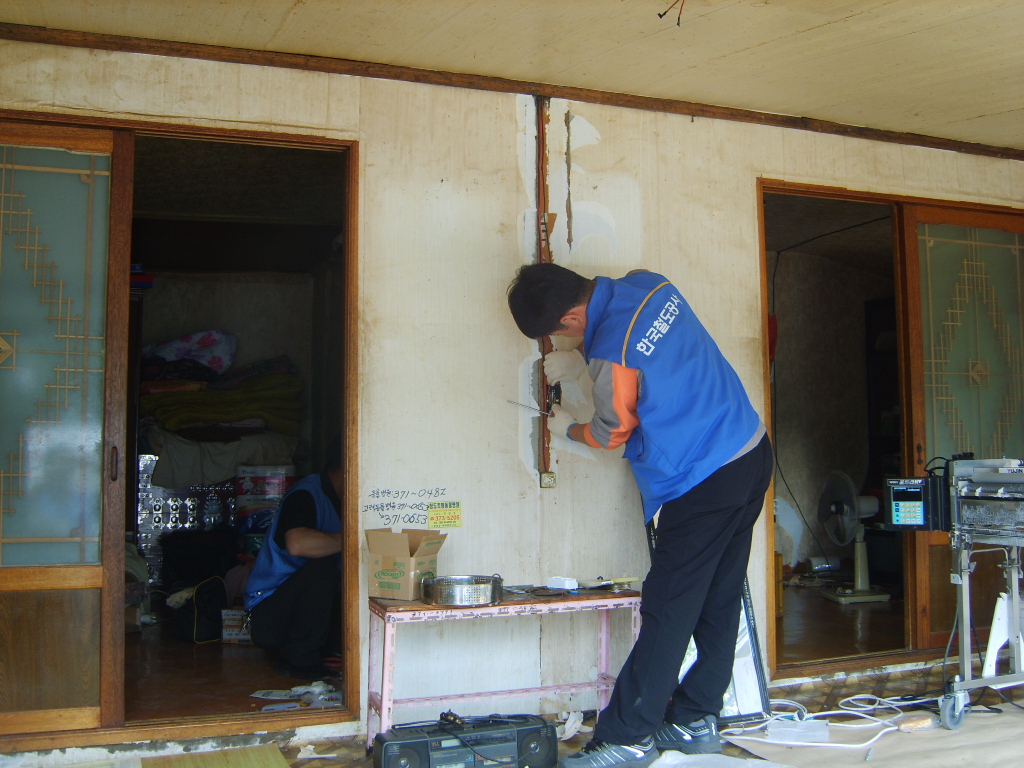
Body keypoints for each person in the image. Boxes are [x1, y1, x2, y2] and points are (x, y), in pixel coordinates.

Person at [507, 264, 773, 767]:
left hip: (703, 478)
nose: (563, 339)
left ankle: (627, 738)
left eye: (560, 333)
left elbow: (610, 431)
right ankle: (696, 719)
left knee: (669, 607)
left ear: (571, 318)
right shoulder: (650, 282)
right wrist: (583, 361)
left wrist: (568, 427)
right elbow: (655, 354)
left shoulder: (612, 354)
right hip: (750, 448)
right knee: (718, 596)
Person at [244, 439, 344, 681]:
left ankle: (324, 651)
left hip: (308, 614)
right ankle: (299, 662)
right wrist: (356, 539)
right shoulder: (306, 493)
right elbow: (297, 544)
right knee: (323, 569)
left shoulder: (348, 501)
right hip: (271, 616)